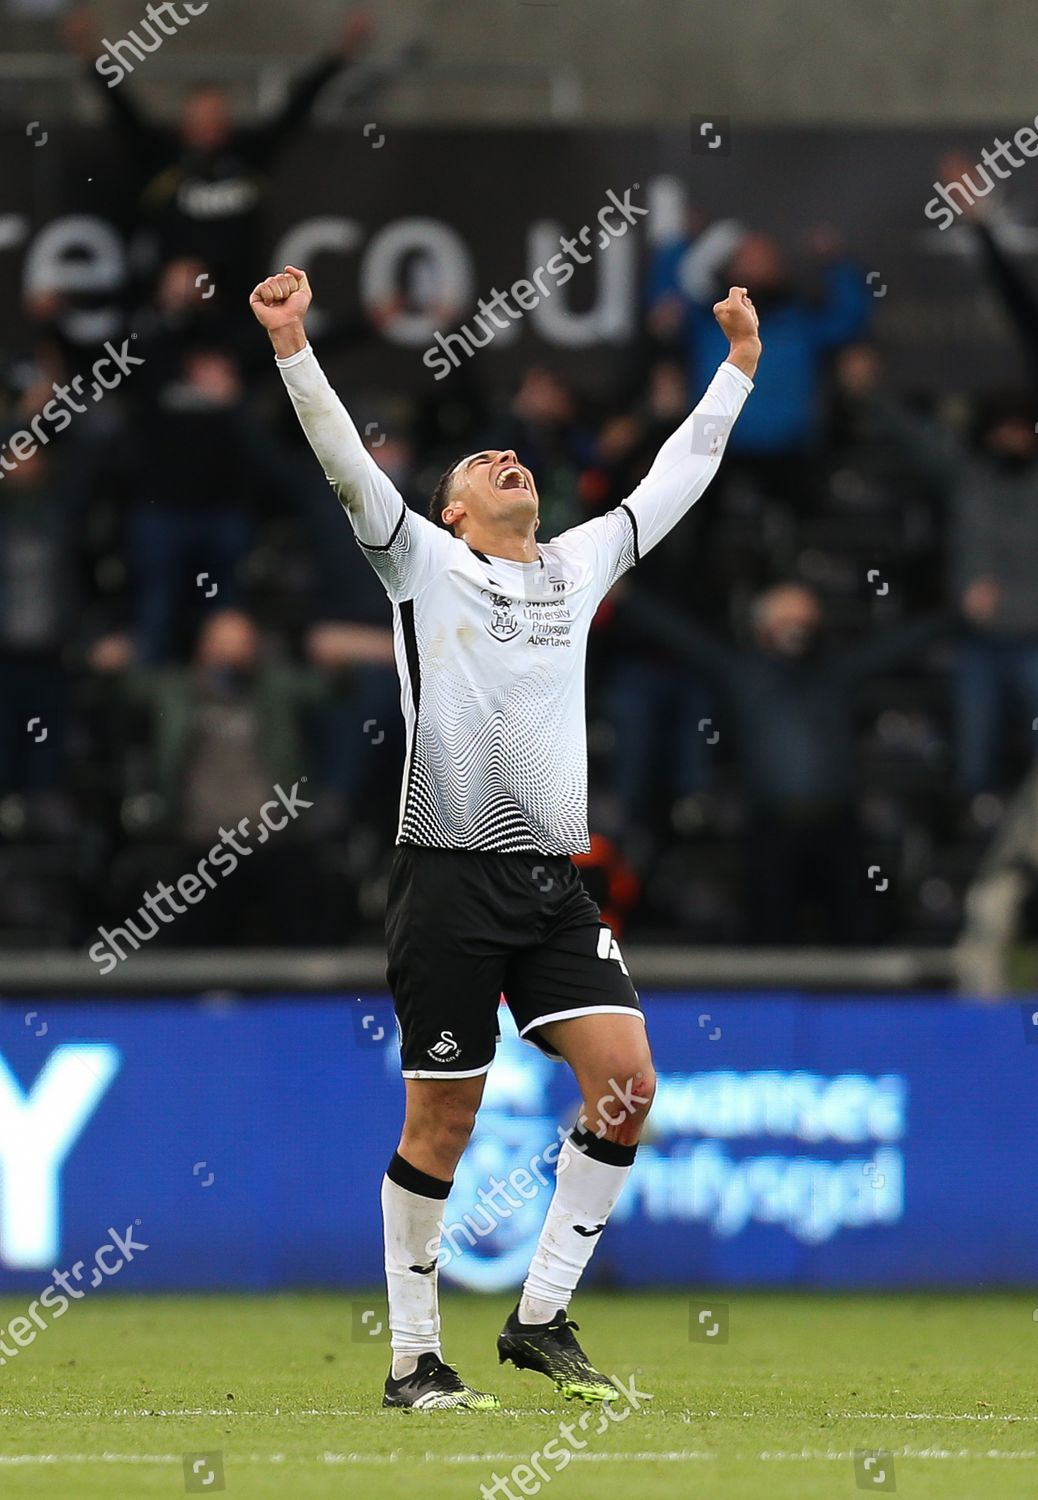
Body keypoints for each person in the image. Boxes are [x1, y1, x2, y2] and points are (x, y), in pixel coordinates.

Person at [250, 263, 761, 1410]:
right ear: (453, 512)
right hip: (446, 877)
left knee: (626, 1088)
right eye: (482, 464)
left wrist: (735, 369)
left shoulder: (575, 567)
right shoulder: (422, 565)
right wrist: (292, 345)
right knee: (444, 1116)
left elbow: (677, 477)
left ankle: (539, 1319)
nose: (507, 459)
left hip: (552, 885)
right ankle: (411, 1361)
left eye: (515, 454)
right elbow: (342, 460)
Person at [613, 581, 957, 944]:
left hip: (839, 827)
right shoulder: (744, 674)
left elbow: (895, 646)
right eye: (787, 618)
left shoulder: (837, 671)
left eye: (806, 618)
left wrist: (958, 615)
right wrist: (630, 599)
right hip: (771, 831)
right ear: (762, 626)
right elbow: (684, 637)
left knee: (857, 937)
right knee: (772, 938)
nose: (798, 627)